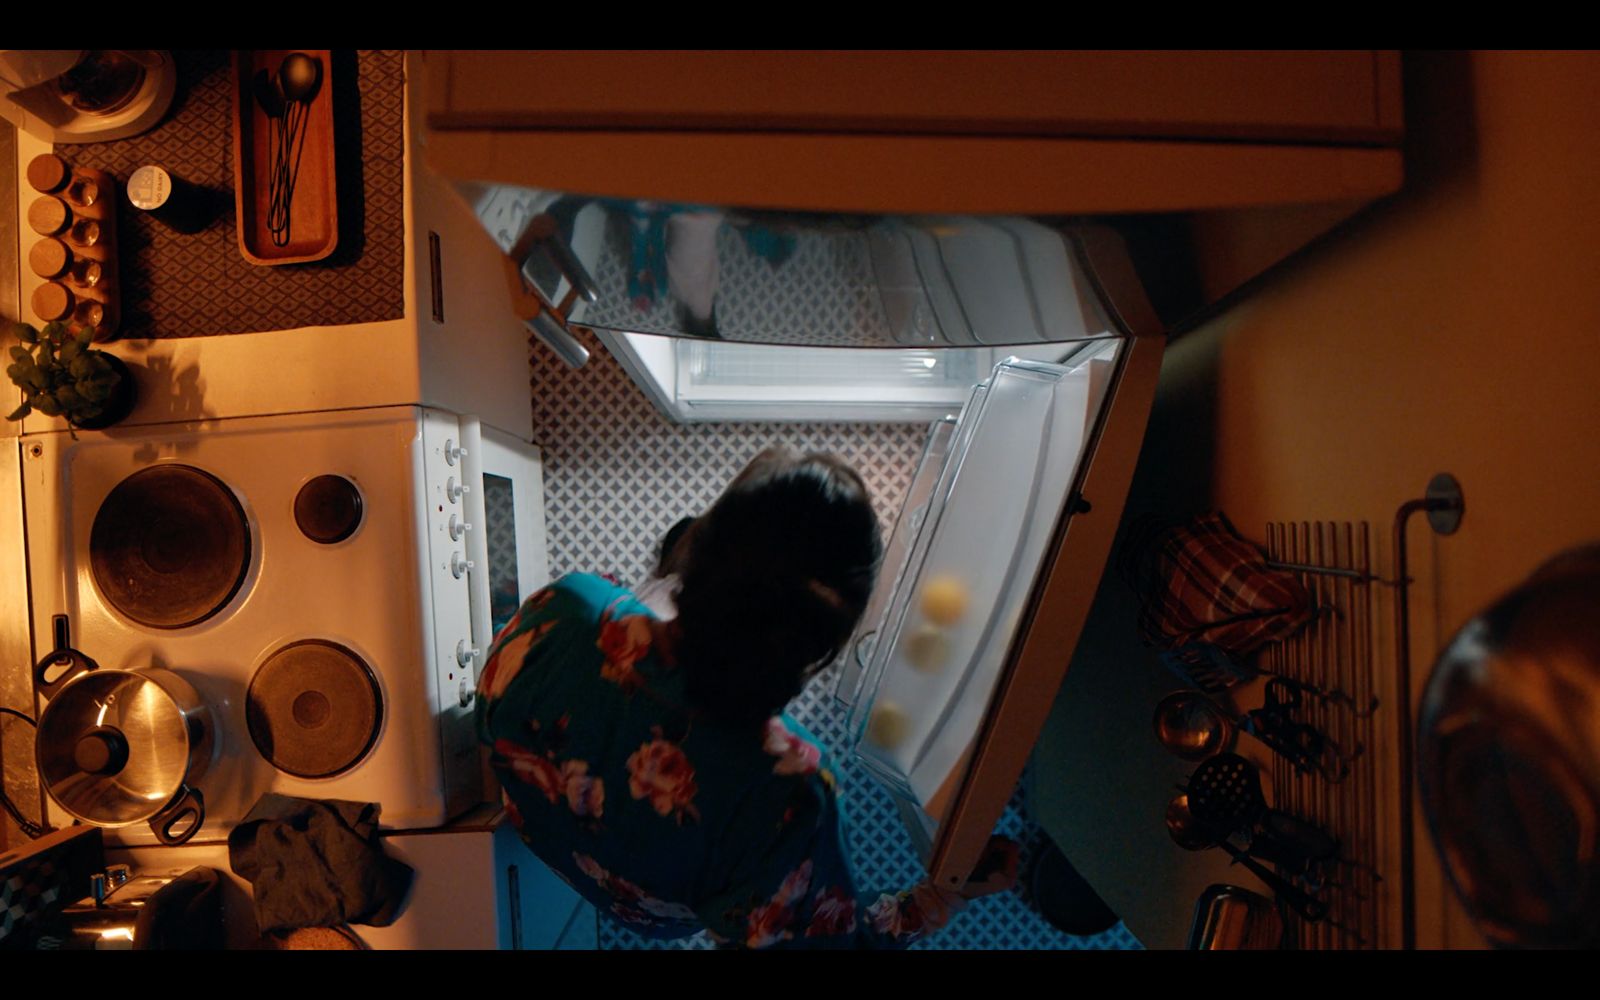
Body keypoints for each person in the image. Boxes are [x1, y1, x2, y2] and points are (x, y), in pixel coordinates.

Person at [475, 445, 1018, 948]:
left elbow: (488, 719)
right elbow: (829, 944)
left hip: (535, 835)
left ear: (699, 545)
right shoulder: (790, 795)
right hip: (649, 913)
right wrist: (943, 894)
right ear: (829, 636)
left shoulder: (565, 609)